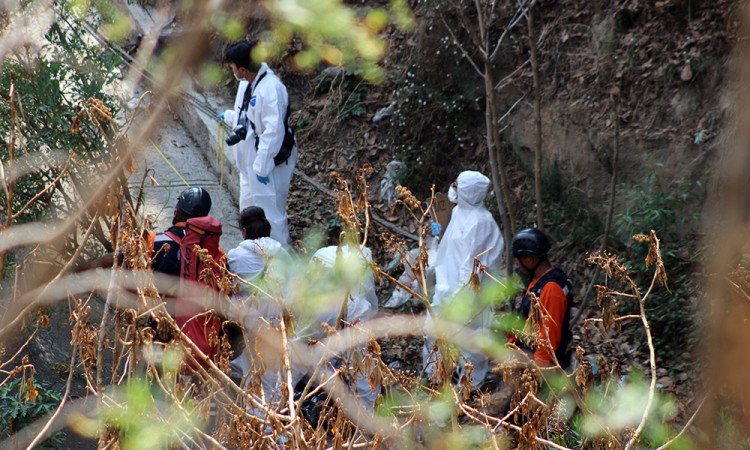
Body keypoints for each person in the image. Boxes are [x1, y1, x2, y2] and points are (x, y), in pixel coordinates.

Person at [422, 170, 504, 390]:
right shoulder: (459, 212)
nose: (453, 189)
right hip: (446, 290)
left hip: (468, 297)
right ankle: (435, 377)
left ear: (468, 192)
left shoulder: (481, 223)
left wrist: (460, 299)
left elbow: (471, 268)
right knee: (434, 333)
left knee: (470, 343)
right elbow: (451, 251)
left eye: (457, 186)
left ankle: (469, 389)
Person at [220, 41, 297, 246]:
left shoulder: (271, 89)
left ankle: (279, 255)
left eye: (232, 65)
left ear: (242, 69)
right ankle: (251, 252)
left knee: (270, 212)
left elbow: (274, 131)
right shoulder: (247, 84)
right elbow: (247, 115)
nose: (231, 69)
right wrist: (229, 117)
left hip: (269, 162)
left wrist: (262, 166)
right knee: (248, 209)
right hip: (250, 162)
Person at [510, 227, 573, 368]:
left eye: (518, 261)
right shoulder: (537, 281)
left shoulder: (551, 289)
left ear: (529, 259)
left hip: (540, 365)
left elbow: (548, 338)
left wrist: (537, 371)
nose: (517, 266)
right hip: (526, 354)